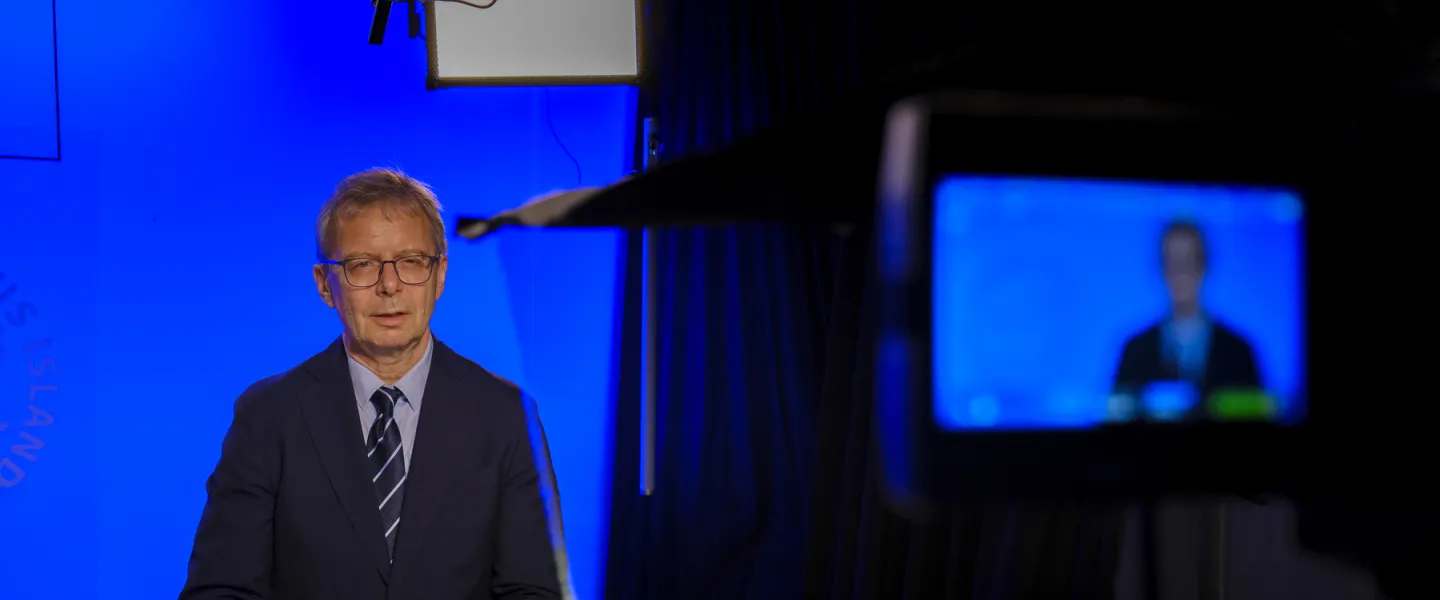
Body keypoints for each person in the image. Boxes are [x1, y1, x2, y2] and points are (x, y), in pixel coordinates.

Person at [180, 168, 562, 599]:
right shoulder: (268, 416)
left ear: (440, 276)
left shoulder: (506, 416)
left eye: (412, 262)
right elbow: (221, 591)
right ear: (326, 285)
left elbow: (534, 592)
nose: (390, 286)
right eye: (362, 265)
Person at [1112, 220, 1262, 421]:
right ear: (1162, 269)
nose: (1180, 273)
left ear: (1204, 266)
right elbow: (1117, 423)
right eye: (1172, 263)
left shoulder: (1239, 351)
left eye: (1188, 262)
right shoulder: (1135, 350)